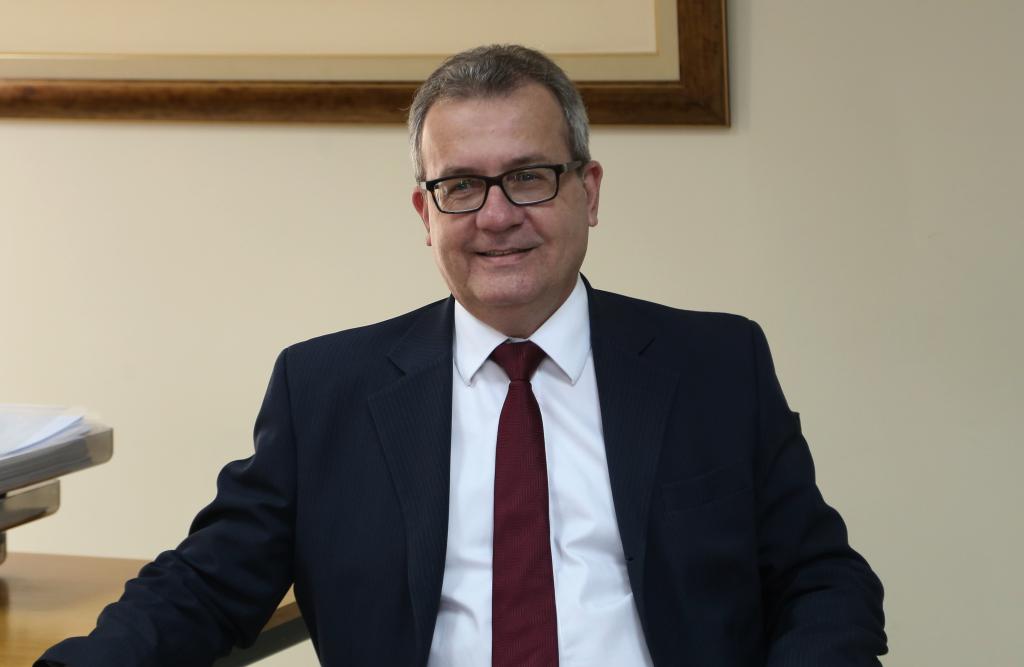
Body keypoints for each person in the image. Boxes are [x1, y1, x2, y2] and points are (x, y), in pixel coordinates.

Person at [38, 44, 886, 666]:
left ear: (588, 192)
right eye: (462, 186)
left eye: (530, 176)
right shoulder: (326, 389)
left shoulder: (716, 365)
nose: (496, 215)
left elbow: (824, 579)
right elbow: (203, 586)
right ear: (426, 213)